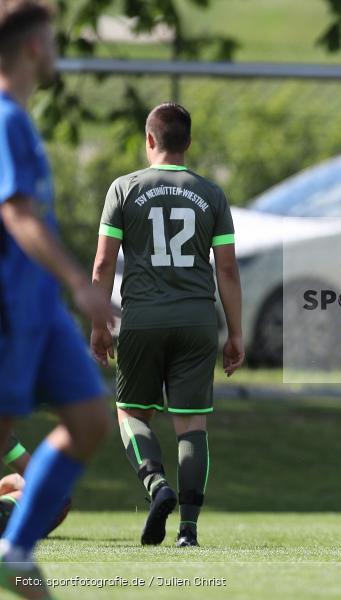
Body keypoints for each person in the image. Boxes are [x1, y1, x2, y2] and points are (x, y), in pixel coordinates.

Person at [90, 102, 244, 548]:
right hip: (197, 319)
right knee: (192, 425)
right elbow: (228, 270)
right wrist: (235, 333)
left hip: (142, 318)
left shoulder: (124, 189)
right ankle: (189, 531)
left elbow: (103, 263)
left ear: (150, 140)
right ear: (188, 143)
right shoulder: (211, 193)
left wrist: (99, 323)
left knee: (131, 413)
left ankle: (157, 486)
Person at [0, 1, 114, 596]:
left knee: (91, 419)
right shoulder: (4, 119)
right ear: (33, 48)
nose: (56, 48)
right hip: (11, 306)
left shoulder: (21, 118)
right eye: (52, 39)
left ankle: (14, 547)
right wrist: (79, 283)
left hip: (39, 308)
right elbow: (16, 214)